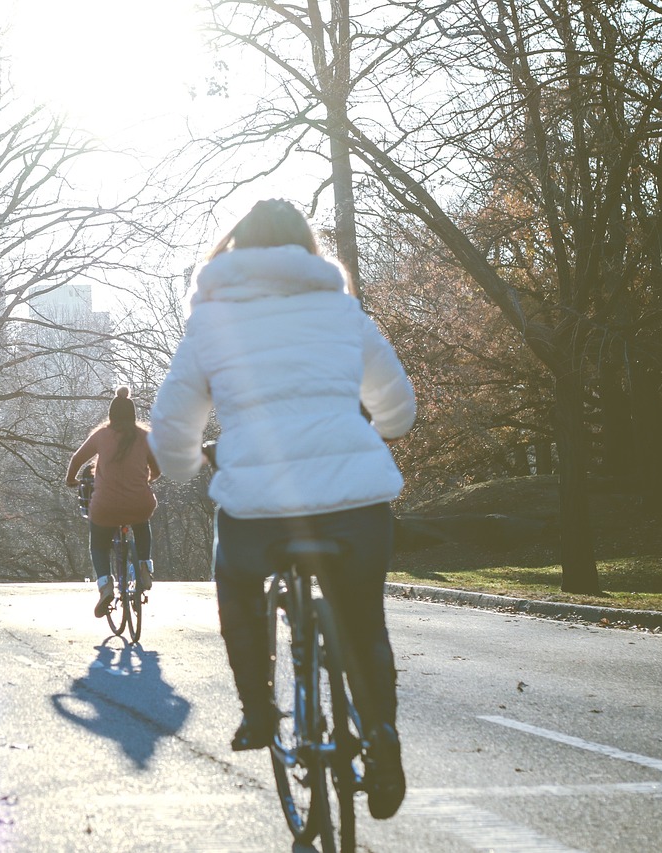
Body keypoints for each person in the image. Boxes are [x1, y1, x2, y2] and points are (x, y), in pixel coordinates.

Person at [148, 199, 416, 821]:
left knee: (238, 583)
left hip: (259, 506)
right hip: (355, 501)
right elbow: (398, 407)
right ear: (306, 250)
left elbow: (171, 423)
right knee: (364, 621)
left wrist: (189, 467)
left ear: (236, 251)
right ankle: (381, 737)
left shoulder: (212, 322)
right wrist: (370, 431)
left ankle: (259, 711)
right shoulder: (343, 311)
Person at [65, 386, 162, 618]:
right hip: (139, 503)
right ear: (133, 414)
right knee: (142, 522)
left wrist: (71, 480)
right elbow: (157, 470)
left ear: (111, 415)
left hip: (105, 506)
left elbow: (77, 459)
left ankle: (105, 584)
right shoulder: (145, 437)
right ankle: (144, 565)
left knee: (98, 543)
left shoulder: (101, 436)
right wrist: (145, 478)